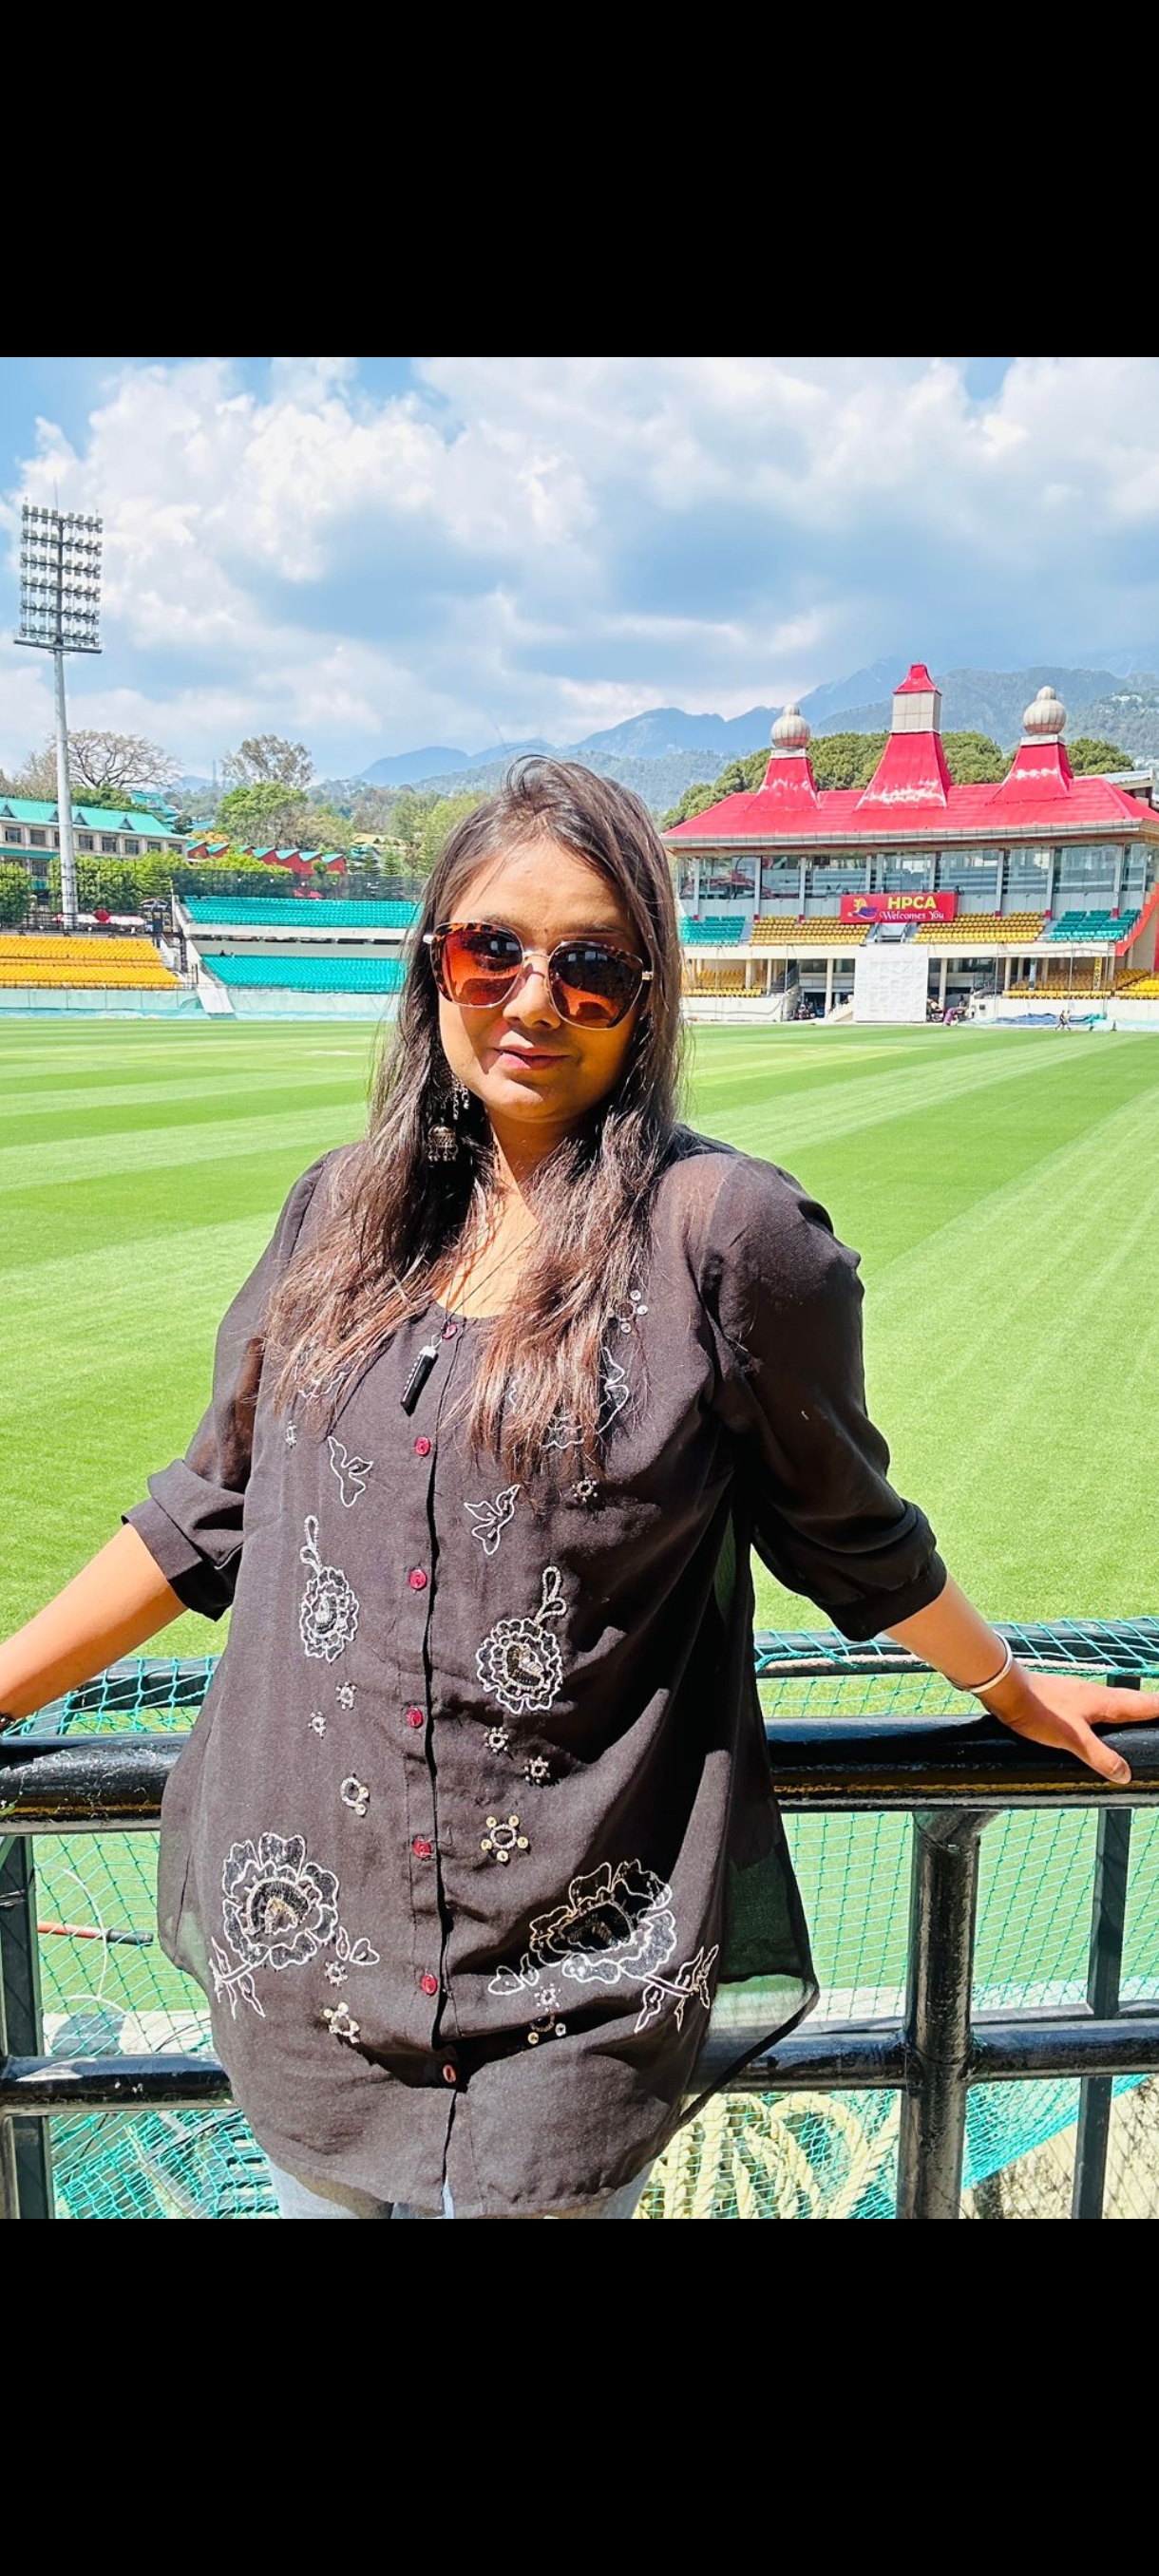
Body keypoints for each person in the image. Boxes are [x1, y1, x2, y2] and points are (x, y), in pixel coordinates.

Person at [1, 761, 1152, 2223]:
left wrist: (1004, 1685)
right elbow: (205, 1514)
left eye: (590, 967)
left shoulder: (725, 1235)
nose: (534, 1001)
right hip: (315, 1957)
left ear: (647, 997)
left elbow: (849, 1532)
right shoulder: (336, 1214)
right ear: (434, 967)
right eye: (492, 952)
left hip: (571, 1990)